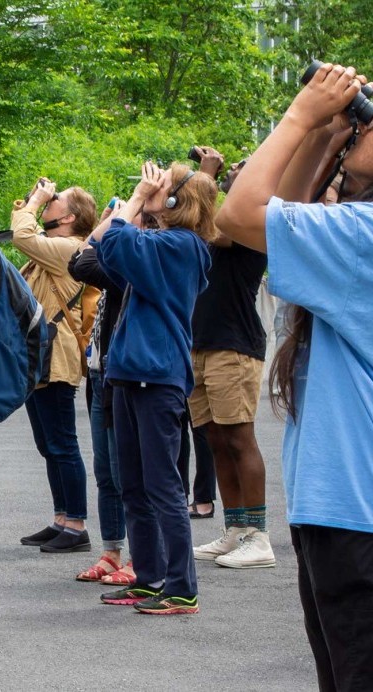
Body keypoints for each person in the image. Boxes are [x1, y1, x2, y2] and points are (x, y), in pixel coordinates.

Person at [215, 61, 373, 690]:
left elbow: (240, 216)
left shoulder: (363, 236)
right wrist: (323, 138)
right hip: (342, 508)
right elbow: (277, 219)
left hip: (356, 514)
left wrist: (300, 116)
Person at [90, 161, 215, 615]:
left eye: (165, 185)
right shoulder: (163, 245)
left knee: (162, 486)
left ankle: (181, 586)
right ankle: (148, 576)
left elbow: (117, 239)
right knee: (135, 486)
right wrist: (138, 203)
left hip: (156, 374)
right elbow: (99, 245)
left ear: (180, 200)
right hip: (133, 372)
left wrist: (139, 199)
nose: (153, 188)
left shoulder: (182, 246)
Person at [188, 147, 275, 569]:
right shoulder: (221, 213)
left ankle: (260, 536)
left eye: (241, 171)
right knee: (215, 439)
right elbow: (190, 224)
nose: (231, 173)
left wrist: (205, 176)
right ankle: (236, 529)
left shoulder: (251, 220)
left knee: (240, 438)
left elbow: (211, 228)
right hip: (201, 341)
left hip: (234, 343)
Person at [13, 179, 95, 554]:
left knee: (62, 443)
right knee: (48, 444)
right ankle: (61, 517)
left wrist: (34, 202)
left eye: (54, 202)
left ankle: (76, 524)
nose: (47, 204)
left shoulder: (70, 247)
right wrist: (33, 202)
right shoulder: (50, 250)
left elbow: (22, 236)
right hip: (38, 355)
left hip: (56, 357)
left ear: (70, 217)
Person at [68, 204, 131, 583]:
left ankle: (141, 556)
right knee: (106, 471)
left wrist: (123, 213)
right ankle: (111, 551)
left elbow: (82, 262)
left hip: (122, 377)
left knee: (128, 475)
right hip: (99, 375)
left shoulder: (138, 259)